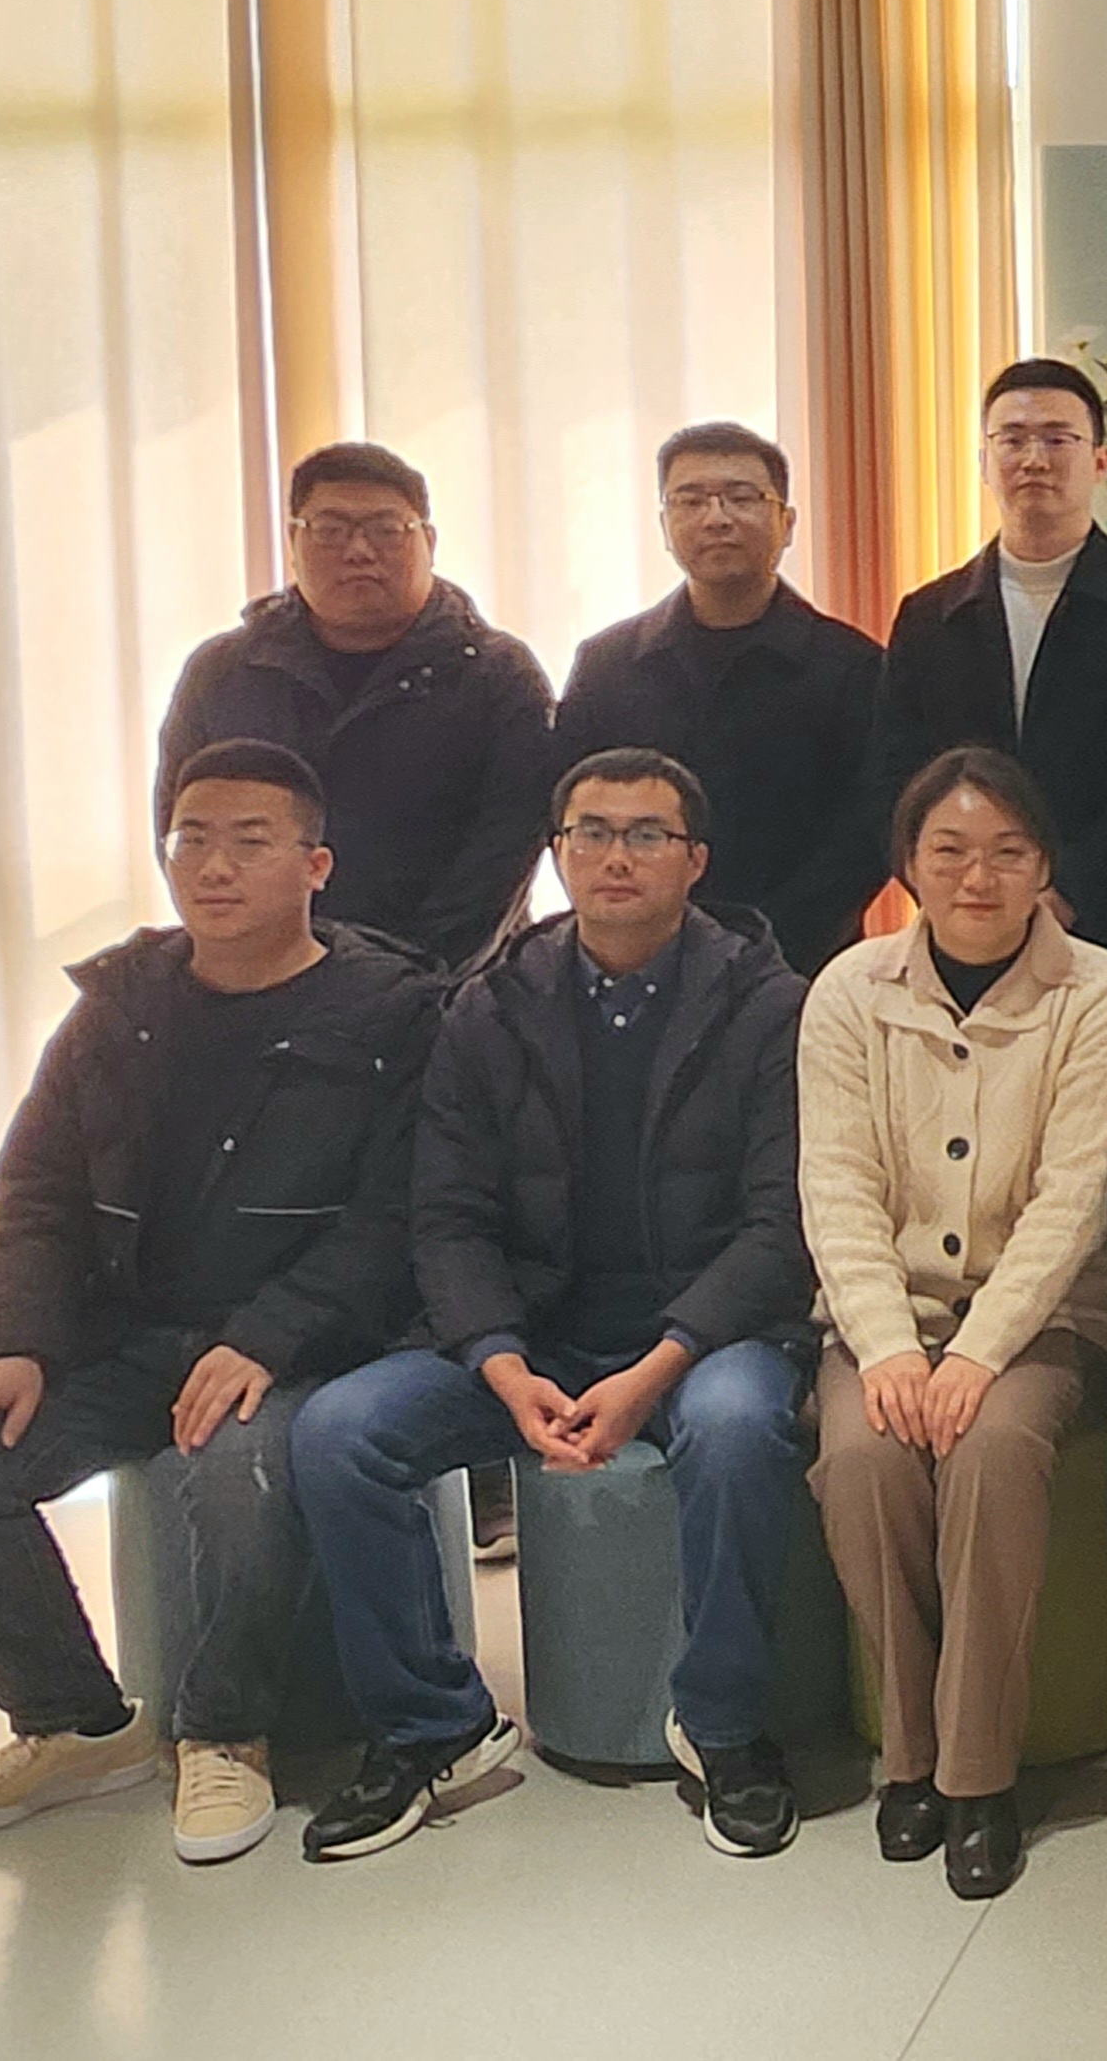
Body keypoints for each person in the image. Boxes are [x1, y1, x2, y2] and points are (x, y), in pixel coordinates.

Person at [0, 741, 441, 1866]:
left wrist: (268, 1335)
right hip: (126, 1338)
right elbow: (36, 1187)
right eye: (192, 838)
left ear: (316, 865)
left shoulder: (393, 1013)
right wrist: (6, 1343)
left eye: (250, 841)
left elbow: (397, 1217)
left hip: (299, 1346)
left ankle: (225, 1732)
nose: (214, 866)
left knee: (236, 1472)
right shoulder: (119, 1007)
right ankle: (74, 1723)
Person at [289, 749, 815, 1862]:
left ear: (696, 861)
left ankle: (724, 1727)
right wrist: (501, 1362)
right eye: (591, 832)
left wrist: (655, 1367)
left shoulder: (771, 1005)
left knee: (736, 1428)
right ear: (557, 852)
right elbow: (448, 1218)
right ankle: (432, 1725)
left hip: (704, 1334)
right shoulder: (488, 1008)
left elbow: (780, 1226)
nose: (616, 856)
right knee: (341, 1431)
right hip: (534, 1331)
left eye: (646, 834)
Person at [802, 747, 1107, 1900]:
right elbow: (836, 1186)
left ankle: (977, 1773)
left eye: (1006, 850)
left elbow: (1073, 1199)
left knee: (992, 1448)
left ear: (1044, 864)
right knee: (863, 1457)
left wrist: (981, 1351)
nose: (976, 875)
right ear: (908, 863)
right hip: (884, 1312)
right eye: (948, 850)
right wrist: (889, 1345)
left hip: (1047, 1315)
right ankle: (907, 1755)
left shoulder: (1097, 989)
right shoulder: (847, 989)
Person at [874, 361, 1107, 988]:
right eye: (1013, 439)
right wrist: (958, 886)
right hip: (961, 923)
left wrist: (1066, 891)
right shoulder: (929, 615)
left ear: (1101, 461)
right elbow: (898, 774)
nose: (1034, 459)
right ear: (984, 462)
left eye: (1058, 439)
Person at [156, 441, 555, 975]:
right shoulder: (225, 672)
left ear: (429, 542)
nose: (359, 551)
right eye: (331, 529)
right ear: (294, 541)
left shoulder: (497, 676)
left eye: (386, 529)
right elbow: (183, 832)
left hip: (453, 987)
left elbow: (501, 861)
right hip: (263, 982)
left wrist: (400, 986)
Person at [555, 420, 887, 978]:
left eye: (741, 497)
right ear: (665, 526)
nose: (716, 518)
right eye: (691, 500)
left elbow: (865, 837)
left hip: (799, 971)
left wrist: (756, 954)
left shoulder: (853, 668)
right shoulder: (606, 665)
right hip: (631, 965)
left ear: (786, 523)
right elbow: (570, 814)